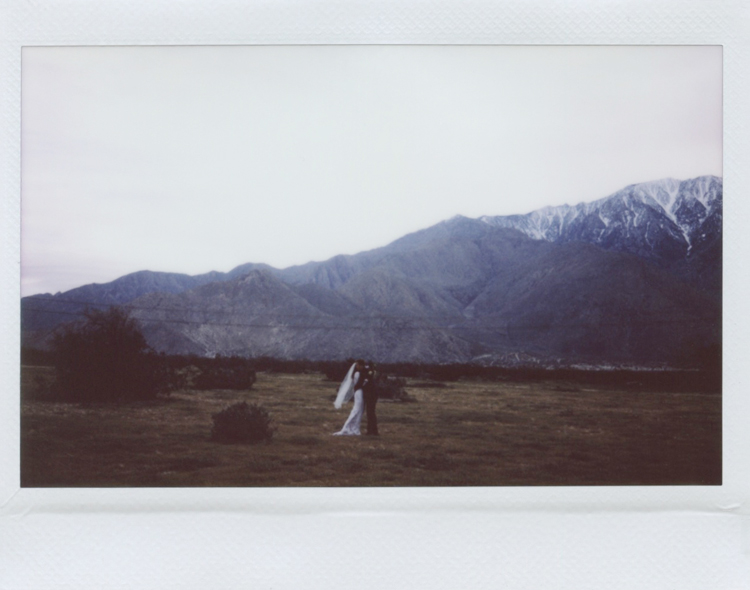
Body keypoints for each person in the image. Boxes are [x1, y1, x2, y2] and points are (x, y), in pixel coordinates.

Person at [332, 359, 369, 436]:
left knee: (360, 410)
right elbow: (359, 384)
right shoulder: (357, 373)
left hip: (360, 392)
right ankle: (347, 427)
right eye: (358, 365)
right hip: (359, 392)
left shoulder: (359, 373)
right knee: (356, 409)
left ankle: (355, 428)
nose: (359, 366)